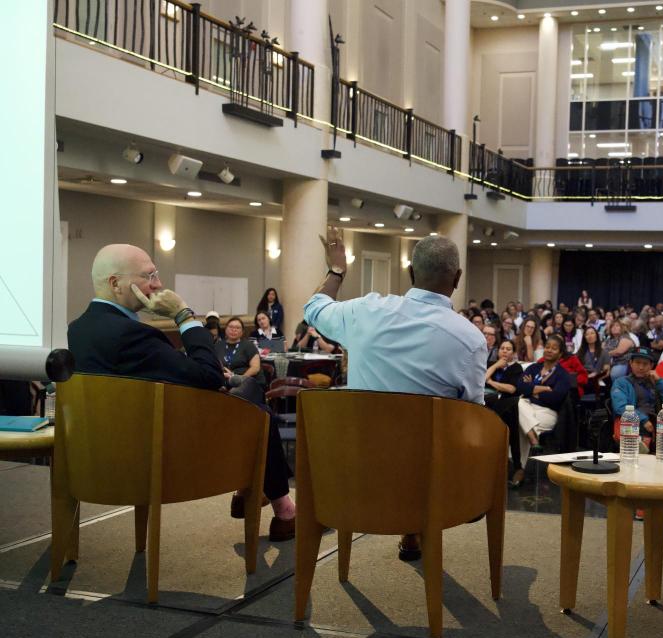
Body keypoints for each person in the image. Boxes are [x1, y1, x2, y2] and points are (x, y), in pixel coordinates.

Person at [67, 244, 296, 541]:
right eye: (149, 276)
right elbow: (208, 375)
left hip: (102, 454)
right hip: (161, 457)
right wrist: (183, 314)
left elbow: (149, 375)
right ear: (115, 283)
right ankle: (276, 504)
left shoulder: (78, 330)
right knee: (256, 403)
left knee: (246, 392)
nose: (159, 285)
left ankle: (267, 499)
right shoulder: (132, 334)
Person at [303, 229, 487, 562]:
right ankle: (415, 524)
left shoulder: (365, 311)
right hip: (426, 482)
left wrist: (337, 270)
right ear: (457, 278)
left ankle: (408, 529)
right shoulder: (469, 339)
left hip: (355, 471)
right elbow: (471, 418)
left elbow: (314, 309)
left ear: (411, 273)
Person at [494, 335, 573, 489]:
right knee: (518, 403)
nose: (549, 350)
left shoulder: (563, 375)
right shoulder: (534, 367)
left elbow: (555, 398)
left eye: (553, 348)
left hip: (547, 412)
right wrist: (543, 389)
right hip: (527, 406)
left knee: (518, 415)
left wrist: (532, 389)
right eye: (547, 346)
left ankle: (519, 468)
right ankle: (533, 439)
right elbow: (519, 387)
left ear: (560, 353)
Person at [611, 348, 663, 451]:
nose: (641, 367)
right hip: (632, 425)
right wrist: (643, 420)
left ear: (651, 366)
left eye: (645, 364)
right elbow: (620, 407)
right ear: (631, 363)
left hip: (656, 426)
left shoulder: (655, 382)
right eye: (637, 363)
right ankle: (641, 445)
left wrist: (659, 382)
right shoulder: (621, 382)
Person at [215, 317, 266, 391]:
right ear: (225, 329)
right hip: (225, 381)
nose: (233, 330)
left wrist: (238, 379)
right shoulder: (218, 345)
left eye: (237, 328)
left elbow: (255, 368)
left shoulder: (249, 345)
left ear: (242, 332)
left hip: (247, 381)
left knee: (234, 393)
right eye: (231, 327)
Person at [484, 340, 523, 405]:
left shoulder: (516, 367)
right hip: (486, 396)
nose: (504, 351)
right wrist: (496, 366)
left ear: (513, 353)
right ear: (498, 351)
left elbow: (511, 389)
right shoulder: (490, 364)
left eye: (508, 349)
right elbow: (482, 379)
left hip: (505, 401)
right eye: (502, 348)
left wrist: (490, 382)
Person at [576, 326, 610, 394]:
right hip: (584, 377)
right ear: (584, 338)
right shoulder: (580, 353)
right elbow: (576, 369)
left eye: (592, 333)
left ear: (596, 336)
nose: (590, 336)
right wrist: (586, 376)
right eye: (587, 334)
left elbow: (606, 372)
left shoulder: (604, 352)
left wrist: (596, 376)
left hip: (598, 376)